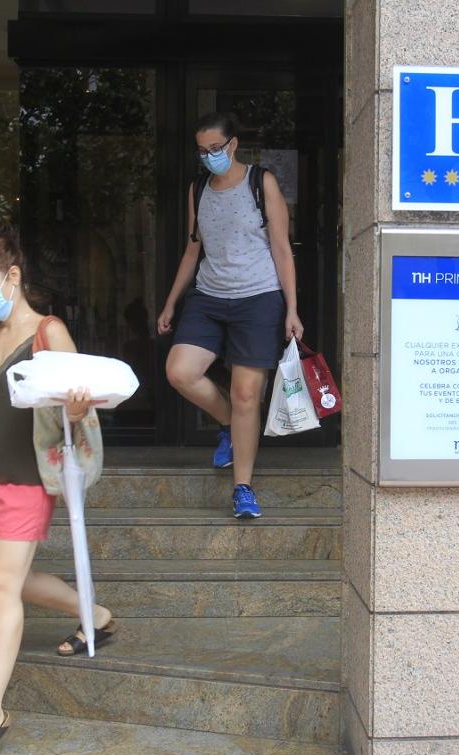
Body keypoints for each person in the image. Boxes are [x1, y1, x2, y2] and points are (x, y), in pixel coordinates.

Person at [0, 227, 116, 755]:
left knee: (0, 590)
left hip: (24, 478)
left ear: (13, 276)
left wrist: (75, 408)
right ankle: (98, 614)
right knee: (10, 581)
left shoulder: (49, 332)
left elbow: (81, 413)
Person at [157, 112, 302, 519]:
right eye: (202, 151)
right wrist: (172, 302)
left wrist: (291, 308)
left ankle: (243, 487)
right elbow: (192, 249)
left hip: (258, 298)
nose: (208, 157)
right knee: (180, 372)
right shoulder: (199, 188)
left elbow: (281, 249)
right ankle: (228, 426)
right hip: (209, 296)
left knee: (245, 395)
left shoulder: (262, 182)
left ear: (233, 145)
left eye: (215, 149)